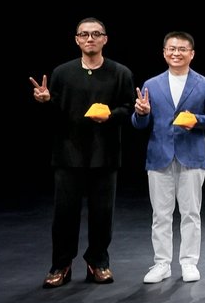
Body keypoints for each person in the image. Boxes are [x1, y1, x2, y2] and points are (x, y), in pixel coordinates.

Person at [30, 18, 136, 288]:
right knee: (64, 214)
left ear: (105, 39)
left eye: (96, 34)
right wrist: (46, 101)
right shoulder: (62, 73)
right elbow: (55, 113)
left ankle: (98, 263)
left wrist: (111, 115)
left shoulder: (120, 73)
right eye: (84, 34)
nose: (90, 38)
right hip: (68, 154)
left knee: (102, 214)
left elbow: (128, 108)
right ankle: (61, 265)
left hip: (105, 155)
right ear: (76, 39)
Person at [131, 31, 205, 284]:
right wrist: (141, 113)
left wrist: (197, 120)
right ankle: (162, 264)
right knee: (160, 215)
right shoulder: (151, 84)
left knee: (191, 213)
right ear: (164, 53)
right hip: (159, 155)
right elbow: (140, 124)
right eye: (171, 49)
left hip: (192, 157)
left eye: (182, 49)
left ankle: (189, 262)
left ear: (192, 54)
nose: (176, 53)